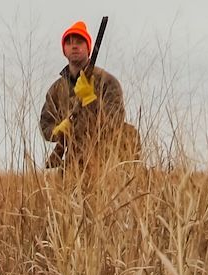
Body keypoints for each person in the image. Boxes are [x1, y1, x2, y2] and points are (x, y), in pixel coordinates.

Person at [39, 21, 136, 170]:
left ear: (89, 48)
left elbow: (115, 123)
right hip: (74, 161)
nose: (74, 46)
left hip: (107, 159)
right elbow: (45, 125)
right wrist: (57, 131)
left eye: (79, 42)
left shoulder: (107, 82)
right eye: (69, 43)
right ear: (64, 50)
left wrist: (90, 100)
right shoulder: (57, 89)